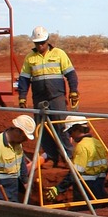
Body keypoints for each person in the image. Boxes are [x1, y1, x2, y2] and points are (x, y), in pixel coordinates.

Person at [16, 26, 79, 166]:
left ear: (47, 40)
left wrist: (73, 90)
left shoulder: (59, 54)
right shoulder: (30, 58)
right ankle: (51, 157)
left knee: (61, 127)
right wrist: (22, 97)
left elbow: (71, 74)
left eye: (42, 42)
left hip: (57, 97)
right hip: (39, 98)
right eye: (37, 43)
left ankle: (68, 157)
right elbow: (24, 79)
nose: (40, 45)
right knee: (42, 129)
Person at [46, 117, 108, 203]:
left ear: (77, 129)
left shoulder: (81, 146)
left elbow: (75, 173)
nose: (70, 136)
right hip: (99, 187)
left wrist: (59, 188)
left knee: (83, 213)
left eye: (70, 132)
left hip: (85, 189)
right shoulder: (97, 143)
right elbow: (105, 168)